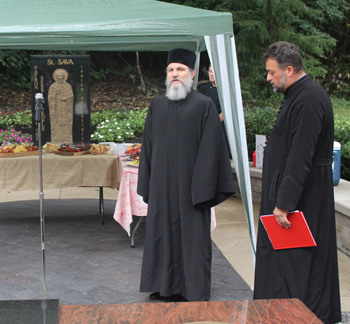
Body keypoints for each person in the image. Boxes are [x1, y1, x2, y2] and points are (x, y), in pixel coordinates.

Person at [137, 48, 236, 302]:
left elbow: (213, 149)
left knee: (192, 240)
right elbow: (147, 147)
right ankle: (162, 286)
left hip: (192, 190)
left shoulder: (204, 106)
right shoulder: (157, 105)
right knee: (161, 234)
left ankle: (192, 288)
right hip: (161, 187)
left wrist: (202, 189)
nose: (175, 74)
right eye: (171, 70)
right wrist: (148, 183)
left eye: (180, 69)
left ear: (191, 74)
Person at [253, 41, 341, 324]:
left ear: (289, 70)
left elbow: (301, 155)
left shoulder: (309, 99)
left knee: (298, 266)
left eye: (271, 72)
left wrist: (284, 203)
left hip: (303, 202)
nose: (268, 77)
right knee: (289, 265)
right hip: (296, 196)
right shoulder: (299, 95)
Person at [48, 68, 74, 144]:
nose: (60, 78)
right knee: (56, 124)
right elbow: (50, 97)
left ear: (63, 77)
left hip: (65, 108)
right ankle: (56, 140)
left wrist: (66, 98)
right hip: (57, 109)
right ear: (56, 78)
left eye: (61, 77)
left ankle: (67, 140)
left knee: (66, 124)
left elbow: (71, 96)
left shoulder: (68, 86)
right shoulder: (53, 86)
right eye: (58, 77)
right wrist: (55, 94)